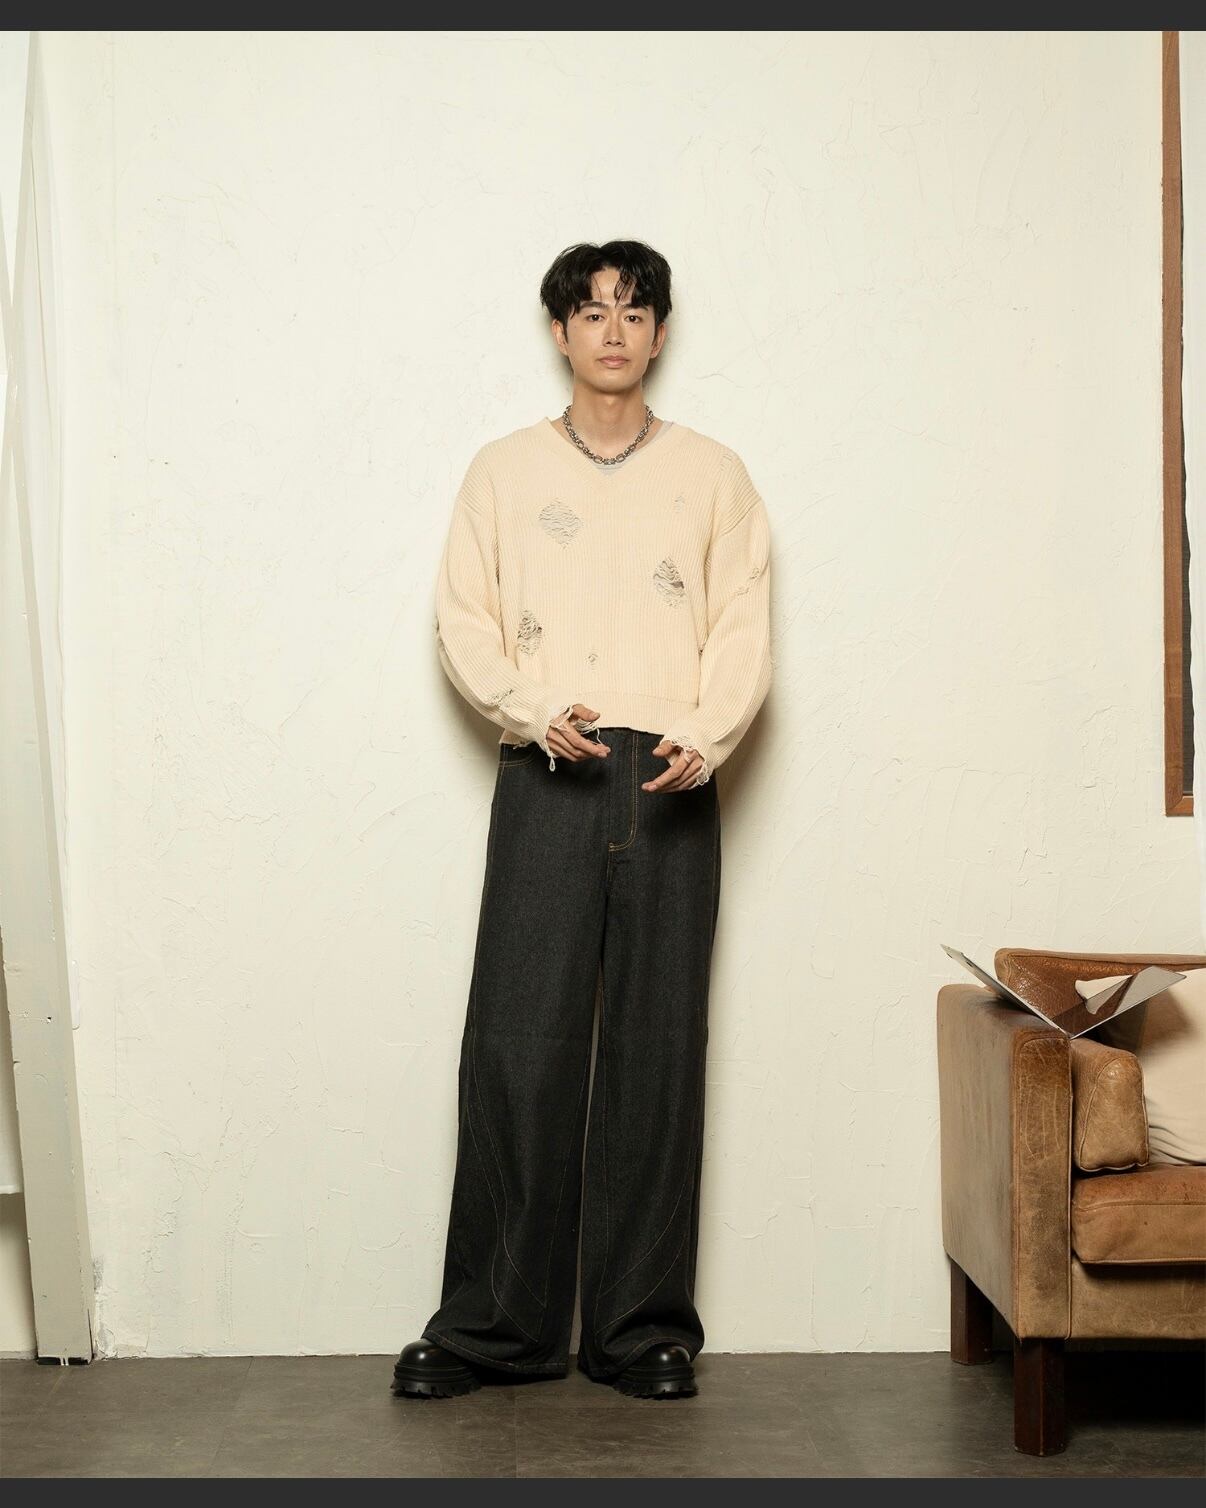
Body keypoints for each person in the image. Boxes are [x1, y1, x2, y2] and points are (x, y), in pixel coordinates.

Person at [392, 240, 773, 1401]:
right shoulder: (504, 471)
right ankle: (493, 1327)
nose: (613, 329)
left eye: (634, 310)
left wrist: (708, 731)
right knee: (518, 1045)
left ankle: (640, 1329)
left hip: (670, 775)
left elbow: (743, 620)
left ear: (659, 332)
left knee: (658, 1049)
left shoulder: (715, 474)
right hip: (548, 764)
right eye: (592, 310)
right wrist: (528, 707)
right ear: (559, 331)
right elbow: (463, 616)